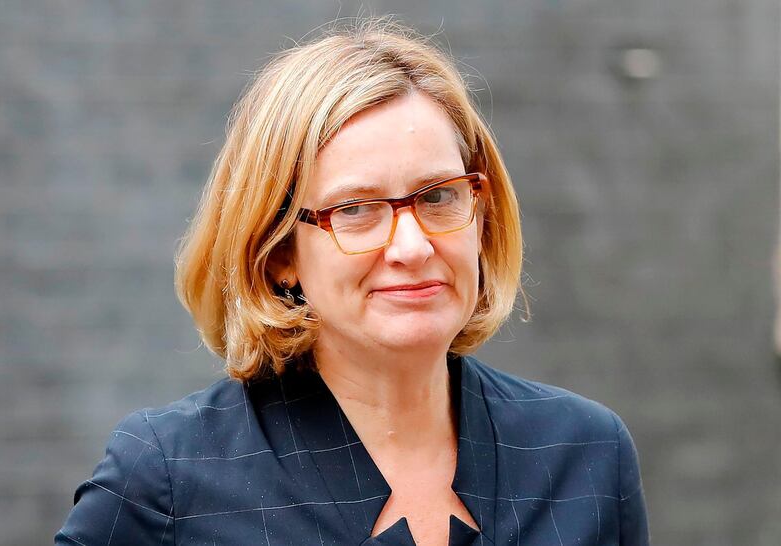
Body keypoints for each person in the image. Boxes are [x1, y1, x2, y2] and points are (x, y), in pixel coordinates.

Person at [56, 19, 649, 546]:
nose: (413, 247)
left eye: (439, 196)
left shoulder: (585, 453)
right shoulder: (170, 476)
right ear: (279, 251)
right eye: (356, 210)